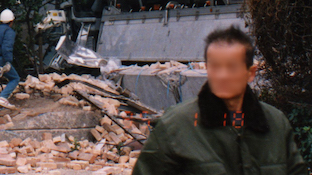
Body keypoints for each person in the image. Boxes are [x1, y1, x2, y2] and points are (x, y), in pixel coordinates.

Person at [132, 26, 308, 175]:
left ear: (251, 73)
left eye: (232, 67)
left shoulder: (275, 124)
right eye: (215, 67)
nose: (222, 76)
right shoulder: (177, 126)